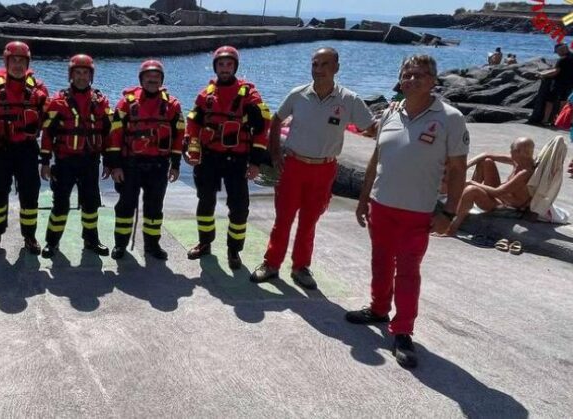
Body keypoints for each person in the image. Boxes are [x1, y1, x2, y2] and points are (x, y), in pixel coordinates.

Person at [346, 54, 469, 369]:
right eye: (407, 74)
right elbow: (377, 158)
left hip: (418, 212)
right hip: (381, 205)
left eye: (420, 75)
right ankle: (377, 308)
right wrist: (363, 199)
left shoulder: (450, 118)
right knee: (381, 261)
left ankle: (402, 331)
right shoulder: (390, 112)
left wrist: (449, 211)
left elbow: (457, 168)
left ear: (433, 81)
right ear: (400, 79)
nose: (412, 80)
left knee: (408, 272)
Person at [250, 47, 373, 288]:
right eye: (315, 64)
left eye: (324, 64)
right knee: (283, 219)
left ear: (336, 67)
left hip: (324, 169)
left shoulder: (349, 100)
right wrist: (275, 153)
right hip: (293, 166)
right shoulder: (298, 94)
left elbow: (371, 127)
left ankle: (300, 267)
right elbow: (276, 120)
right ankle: (271, 263)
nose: (318, 70)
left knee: (309, 221)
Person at [184, 46, 272, 270]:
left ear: (235, 67)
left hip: (237, 159)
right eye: (221, 65)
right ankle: (205, 243)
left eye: (229, 65)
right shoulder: (206, 95)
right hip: (209, 159)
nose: (225, 69)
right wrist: (192, 148)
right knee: (205, 202)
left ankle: (234, 250)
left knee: (240, 207)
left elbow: (262, 129)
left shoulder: (250, 95)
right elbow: (193, 123)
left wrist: (256, 162)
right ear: (216, 67)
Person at [106, 60, 185, 260]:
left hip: (158, 166)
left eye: (156, 77)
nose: (152, 80)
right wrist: (115, 166)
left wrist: (175, 165)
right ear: (141, 79)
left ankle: (152, 245)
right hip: (130, 165)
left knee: (154, 208)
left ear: (161, 80)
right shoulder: (126, 103)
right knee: (125, 206)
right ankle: (120, 245)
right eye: (148, 77)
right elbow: (114, 136)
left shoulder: (173, 106)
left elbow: (178, 138)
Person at [39, 54, 112, 258]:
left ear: (91, 76)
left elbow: (108, 134)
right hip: (64, 162)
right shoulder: (57, 102)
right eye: (77, 73)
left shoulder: (101, 102)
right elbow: (47, 135)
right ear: (71, 75)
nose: (81, 77)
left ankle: (91, 240)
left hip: (90, 162)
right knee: (60, 204)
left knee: (91, 204)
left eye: (85, 73)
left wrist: (109, 161)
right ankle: (52, 242)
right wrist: (44, 162)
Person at [0, 41, 49, 256]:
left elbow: (48, 121)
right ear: (6, 62)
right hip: (0, 150)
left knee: (30, 194)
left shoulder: (39, 89)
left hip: (27, 150)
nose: (18, 65)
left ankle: (29, 235)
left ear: (27, 63)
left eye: (22, 61)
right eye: (14, 60)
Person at [444, 138, 536, 235]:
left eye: (512, 150)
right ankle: (464, 199)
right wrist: (465, 166)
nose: (511, 153)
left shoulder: (525, 172)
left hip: (509, 208)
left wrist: (471, 183)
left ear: (519, 152)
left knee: (472, 190)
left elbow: (498, 192)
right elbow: (486, 155)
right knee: (486, 161)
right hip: (501, 198)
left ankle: (451, 228)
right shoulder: (520, 161)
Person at [537, 43, 573, 125]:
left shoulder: (562, 59)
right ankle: (560, 121)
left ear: (562, 49)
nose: (557, 54)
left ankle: (545, 120)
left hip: (559, 83)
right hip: (570, 83)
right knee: (563, 102)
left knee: (550, 101)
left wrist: (542, 74)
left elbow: (555, 72)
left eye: (557, 51)